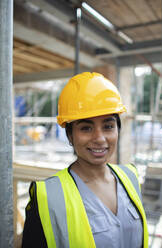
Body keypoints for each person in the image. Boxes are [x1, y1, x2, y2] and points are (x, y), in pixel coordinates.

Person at [22, 72, 149, 248]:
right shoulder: (47, 197)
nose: (100, 138)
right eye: (86, 128)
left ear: (118, 130)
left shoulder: (131, 177)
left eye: (108, 126)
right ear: (70, 135)